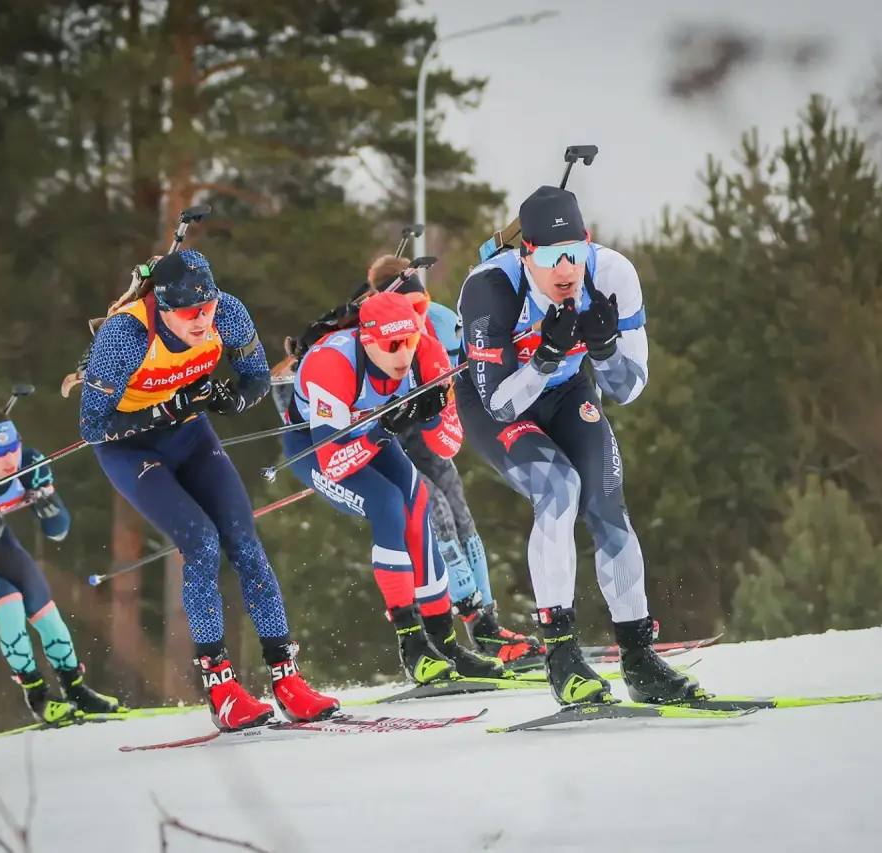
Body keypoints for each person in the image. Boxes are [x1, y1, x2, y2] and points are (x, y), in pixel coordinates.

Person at [455, 184, 700, 705]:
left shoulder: (612, 274)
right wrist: (543, 356)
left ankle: (638, 658)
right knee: (558, 488)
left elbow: (628, 390)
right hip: (496, 400)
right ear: (527, 255)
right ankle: (562, 655)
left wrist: (607, 350)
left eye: (574, 252)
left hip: (567, 390)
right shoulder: (490, 289)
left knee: (607, 503)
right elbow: (500, 404)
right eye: (548, 256)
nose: (565, 267)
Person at [78, 249, 338, 731]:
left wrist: (231, 399)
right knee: (200, 543)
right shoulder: (126, 336)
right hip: (132, 451)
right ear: (162, 307)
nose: (201, 321)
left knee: (244, 541)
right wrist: (166, 409)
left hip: (190, 435)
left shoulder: (229, 312)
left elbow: (258, 377)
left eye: (207, 308)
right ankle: (221, 689)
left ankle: (287, 680)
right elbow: (93, 427)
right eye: (187, 313)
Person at [279, 290, 508, 684]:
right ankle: (412, 645)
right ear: (368, 341)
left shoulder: (426, 353)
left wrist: (433, 412)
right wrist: (386, 426)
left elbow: (448, 446)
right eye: (392, 345)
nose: (404, 355)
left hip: (372, 435)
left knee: (417, 499)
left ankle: (446, 644)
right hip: (315, 447)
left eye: (410, 341)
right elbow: (333, 461)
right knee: (387, 503)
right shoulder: (332, 363)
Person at [362, 255, 541, 664]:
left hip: (428, 434)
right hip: (391, 443)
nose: (418, 320)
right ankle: (450, 623)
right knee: (435, 513)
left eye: (421, 307)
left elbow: (479, 357)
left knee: (460, 513)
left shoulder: (441, 320)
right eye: (409, 312)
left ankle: (486, 626)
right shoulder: (375, 326)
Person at [0, 411, 120, 724]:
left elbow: (58, 531)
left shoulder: (30, 463)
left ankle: (77, 691)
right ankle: (39, 697)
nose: (9, 459)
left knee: (46, 613)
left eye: (13, 447)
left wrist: (48, 510)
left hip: (0, 546)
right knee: (10, 603)